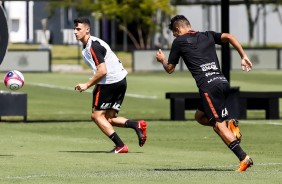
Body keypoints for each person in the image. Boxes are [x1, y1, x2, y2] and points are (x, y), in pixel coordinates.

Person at [156, 15, 253, 171]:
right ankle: (229, 125)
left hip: (209, 88)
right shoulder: (207, 35)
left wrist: (162, 59)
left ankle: (244, 158)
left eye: (174, 33)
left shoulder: (179, 42)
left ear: (178, 29)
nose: (175, 36)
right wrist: (243, 56)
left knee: (218, 127)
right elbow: (229, 36)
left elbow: (170, 69)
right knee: (200, 117)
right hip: (222, 83)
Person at [73, 17, 147, 153]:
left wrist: (86, 85)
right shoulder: (91, 44)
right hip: (121, 80)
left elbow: (102, 71)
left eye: (78, 29)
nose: (75, 32)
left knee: (96, 116)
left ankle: (120, 146)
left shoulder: (92, 46)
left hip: (109, 83)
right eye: (75, 29)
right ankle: (137, 125)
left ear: (87, 29)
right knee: (109, 119)